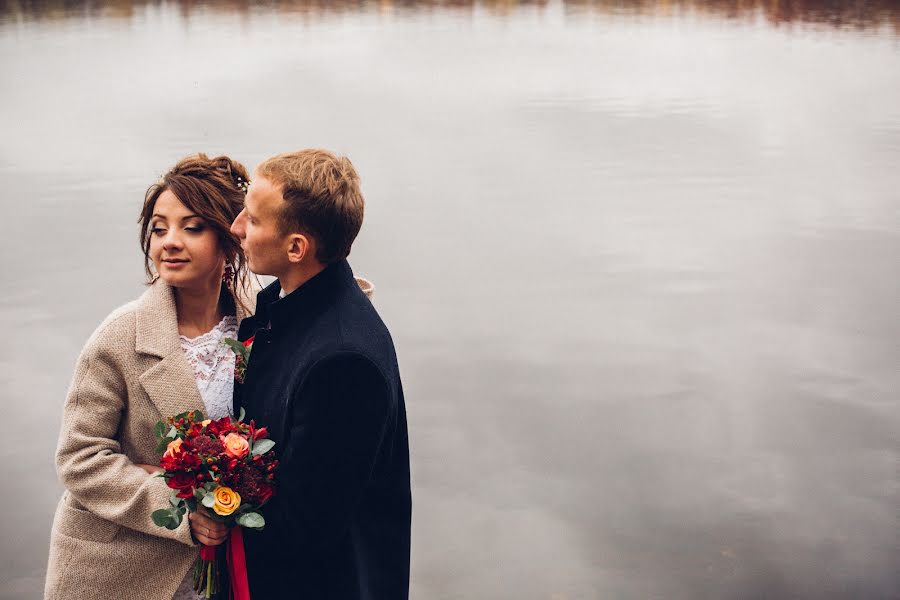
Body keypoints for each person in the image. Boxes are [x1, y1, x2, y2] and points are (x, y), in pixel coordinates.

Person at [45, 154, 252, 600]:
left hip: (228, 566)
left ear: (229, 238)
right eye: (159, 228)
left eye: (192, 227)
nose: (169, 243)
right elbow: (80, 457)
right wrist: (175, 502)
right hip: (121, 567)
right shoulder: (119, 337)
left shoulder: (257, 323)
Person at [229, 149, 411, 599]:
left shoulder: (343, 361)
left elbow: (306, 528)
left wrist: (216, 505)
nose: (236, 228)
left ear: (296, 248)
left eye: (252, 220)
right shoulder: (296, 306)